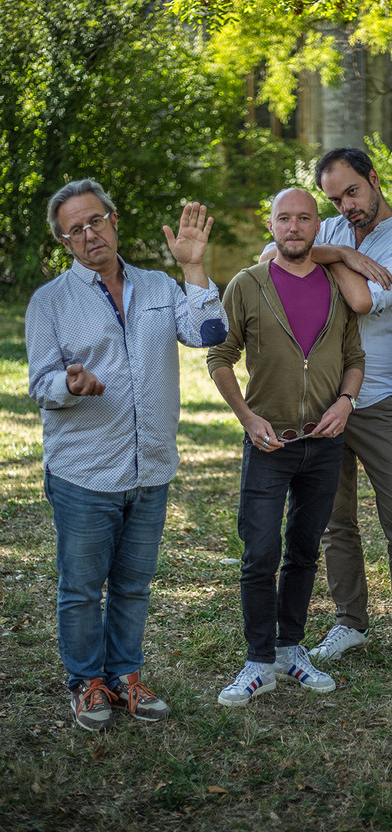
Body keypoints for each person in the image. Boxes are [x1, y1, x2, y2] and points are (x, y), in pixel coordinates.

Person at [26, 178, 228, 731]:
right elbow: (40, 384)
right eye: (75, 230)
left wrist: (193, 267)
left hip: (150, 467)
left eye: (95, 220)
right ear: (65, 242)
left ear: (113, 220)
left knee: (134, 586)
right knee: (81, 589)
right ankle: (86, 682)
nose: (89, 234)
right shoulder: (50, 302)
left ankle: (125, 677)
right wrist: (69, 384)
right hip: (84, 472)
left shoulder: (159, 286)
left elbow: (209, 332)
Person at [263, 149, 392, 680]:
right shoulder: (330, 231)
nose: (345, 206)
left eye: (352, 192)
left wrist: (324, 259)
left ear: (373, 179)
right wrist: (342, 252)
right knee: (334, 523)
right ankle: (350, 622)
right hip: (320, 402)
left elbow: (361, 303)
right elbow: (270, 258)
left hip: (378, 402)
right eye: (333, 199)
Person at [207, 187, 365, 707]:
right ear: (271, 225)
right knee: (259, 554)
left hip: (324, 443)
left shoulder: (337, 285)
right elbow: (220, 356)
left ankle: (289, 648)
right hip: (268, 443)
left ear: (318, 226)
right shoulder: (247, 284)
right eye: (284, 218)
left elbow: (354, 356)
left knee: (303, 551)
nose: (293, 226)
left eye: (303, 217)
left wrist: (345, 402)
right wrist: (247, 417)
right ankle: (258, 661)